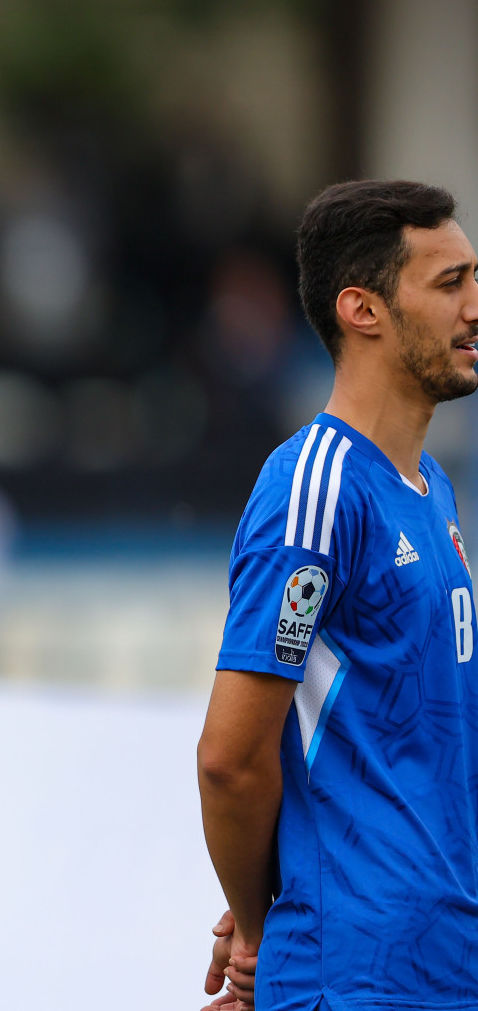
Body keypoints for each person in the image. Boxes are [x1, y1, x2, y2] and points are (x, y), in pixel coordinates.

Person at [198, 180, 478, 1011]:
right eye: (450, 282)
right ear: (364, 310)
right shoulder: (315, 489)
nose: (475, 305)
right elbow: (230, 758)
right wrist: (262, 926)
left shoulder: (432, 489)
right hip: (359, 976)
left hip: (444, 961)